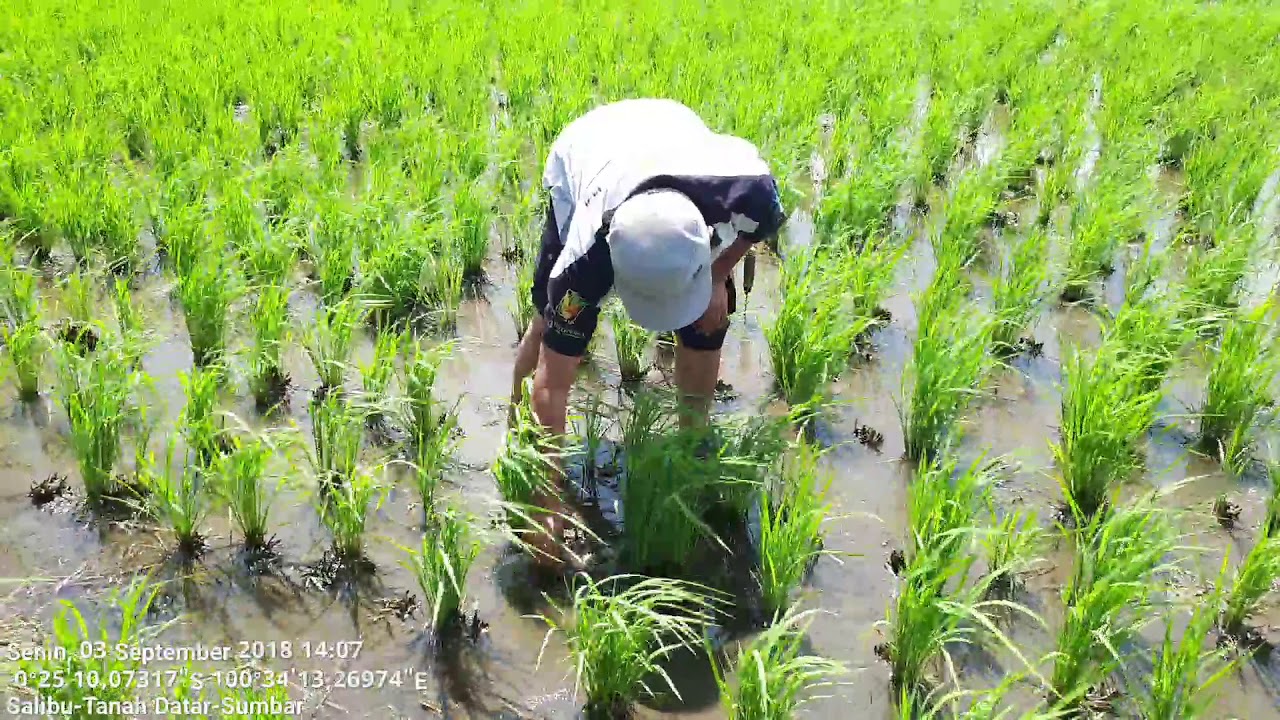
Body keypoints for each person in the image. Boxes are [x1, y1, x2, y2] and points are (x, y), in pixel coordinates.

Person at [510, 98, 786, 566]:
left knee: (710, 313)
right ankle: (516, 437)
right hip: (589, 151)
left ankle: (692, 439)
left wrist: (719, 275)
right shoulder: (585, 260)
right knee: (548, 320)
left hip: (671, 133)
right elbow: (554, 385)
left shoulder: (745, 190)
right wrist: (545, 497)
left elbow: (762, 222)